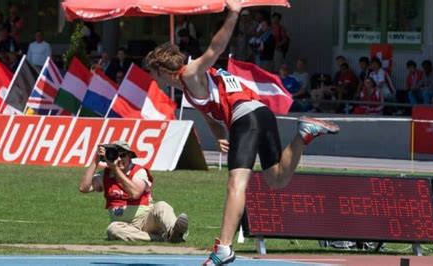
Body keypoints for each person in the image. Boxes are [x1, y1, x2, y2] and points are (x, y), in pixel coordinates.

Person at [145, 1, 339, 264]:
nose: (153, 80)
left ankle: (223, 248)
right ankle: (303, 135)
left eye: (153, 74)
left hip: (245, 118)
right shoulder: (188, 87)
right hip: (261, 114)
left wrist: (234, 12)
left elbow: (216, 48)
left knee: (236, 184)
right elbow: (208, 113)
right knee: (277, 178)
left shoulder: (190, 73)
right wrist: (218, 134)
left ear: (162, 70)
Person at [79, 140, 189, 243]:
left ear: (130, 156)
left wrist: (115, 169)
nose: (119, 159)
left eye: (123, 155)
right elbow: (83, 188)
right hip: (124, 225)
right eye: (116, 155)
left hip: (146, 220)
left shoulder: (138, 171)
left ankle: (173, 232)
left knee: (162, 206)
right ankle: (162, 238)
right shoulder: (105, 174)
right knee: (113, 229)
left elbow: (135, 193)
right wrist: (96, 159)